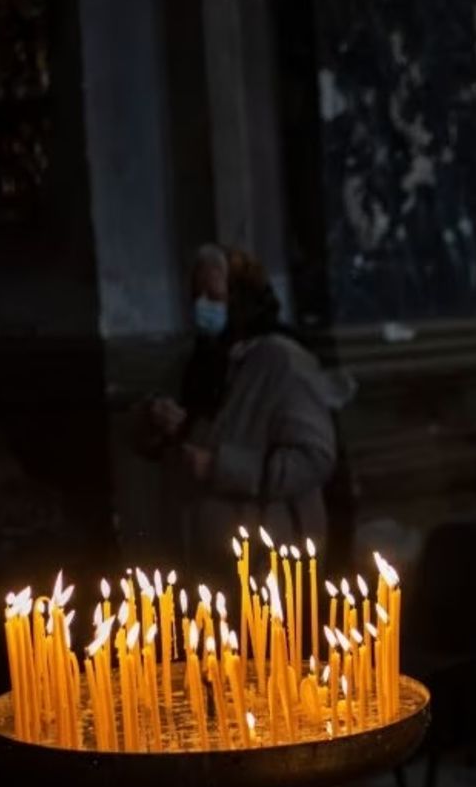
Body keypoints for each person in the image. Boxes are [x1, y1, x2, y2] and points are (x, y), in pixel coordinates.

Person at [141, 245, 355, 571]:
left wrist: (219, 466)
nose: (202, 308)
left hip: (267, 559)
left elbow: (314, 458)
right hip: (209, 560)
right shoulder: (202, 360)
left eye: (213, 297)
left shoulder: (281, 359)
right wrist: (161, 421)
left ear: (242, 297)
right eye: (196, 297)